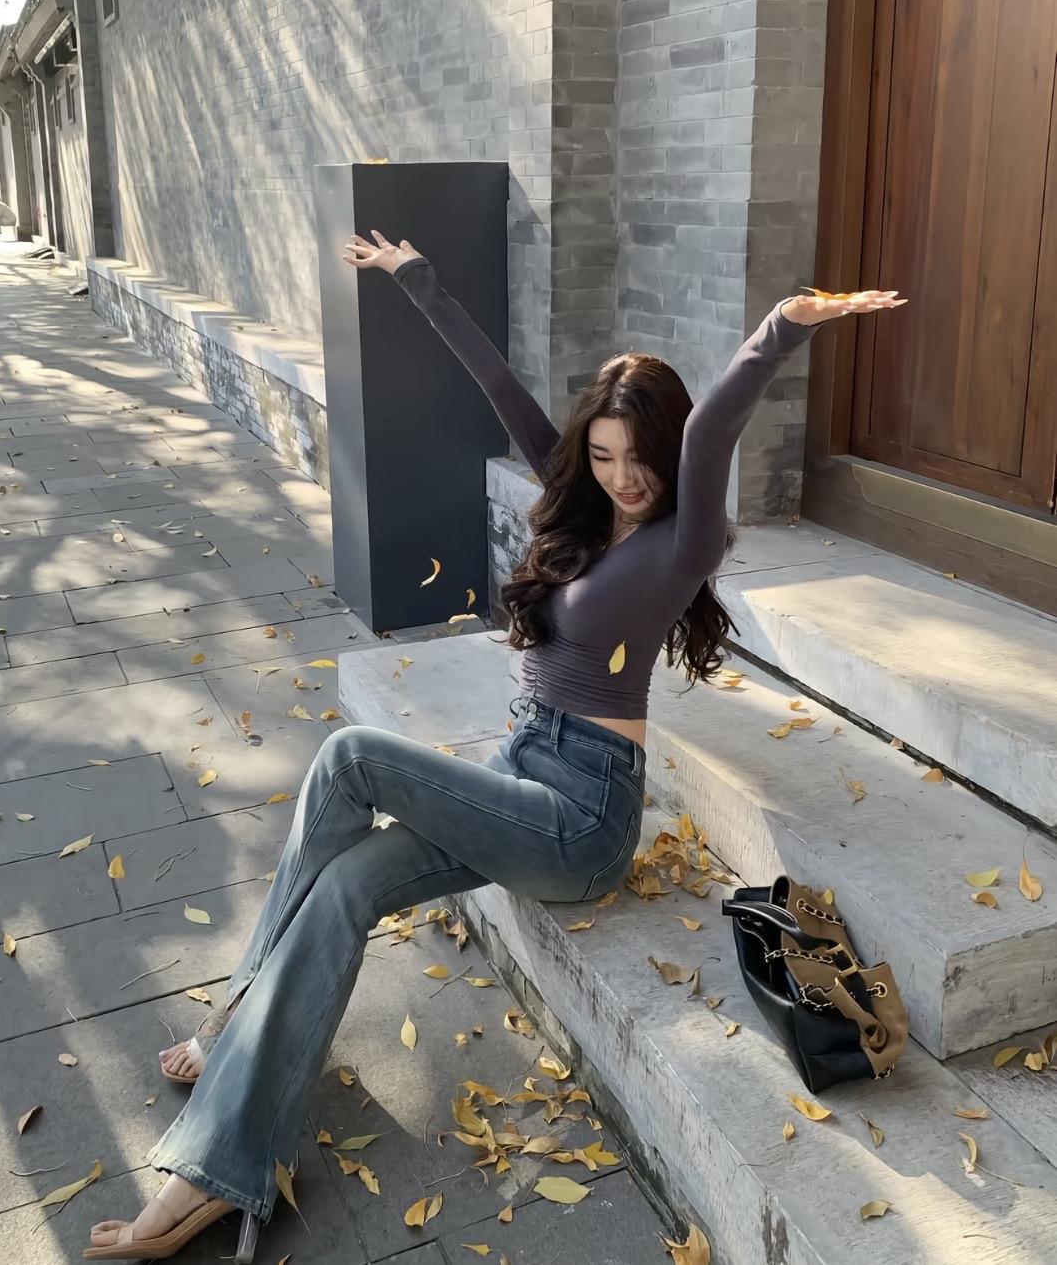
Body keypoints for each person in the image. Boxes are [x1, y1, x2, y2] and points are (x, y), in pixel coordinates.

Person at [84, 233, 906, 1261]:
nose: (622, 477)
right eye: (603, 456)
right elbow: (501, 388)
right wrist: (419, 279)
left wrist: (783, 326)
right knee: (347, 885)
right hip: (521, 774)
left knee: (349, 758)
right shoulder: (589, 509)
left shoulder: (685, 538)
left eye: (640, 458)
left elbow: (714, 432)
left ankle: (225, 1051)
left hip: (581, 819)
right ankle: (230, 1156)